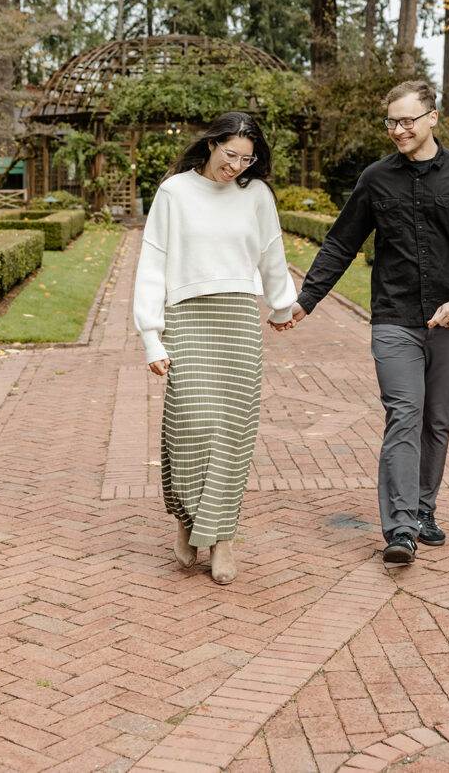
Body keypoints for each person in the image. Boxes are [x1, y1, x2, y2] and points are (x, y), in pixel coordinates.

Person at [291, 81, 449, 564]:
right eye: (392, 121)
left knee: (437, 420)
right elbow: (341, 242)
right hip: (394, 317)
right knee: (404, 413)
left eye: (408, 120)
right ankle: (401, 528)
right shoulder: (375, 179)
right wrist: (308, 299)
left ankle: (425, 509)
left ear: (433, 117)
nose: (398, 130)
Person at [133, 112, 296, 585]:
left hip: (238, 319)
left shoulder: (257, 195)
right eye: (231, 155)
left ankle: (222, 538)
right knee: (191, 426)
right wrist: (151, 335)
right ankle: (186, 518)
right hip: (187, 316)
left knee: (231, 433)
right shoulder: (175, 193)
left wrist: (282, 306)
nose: (237, 167)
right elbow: (152, 263)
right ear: (211, 146)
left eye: (248, 159)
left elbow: (271, 252)